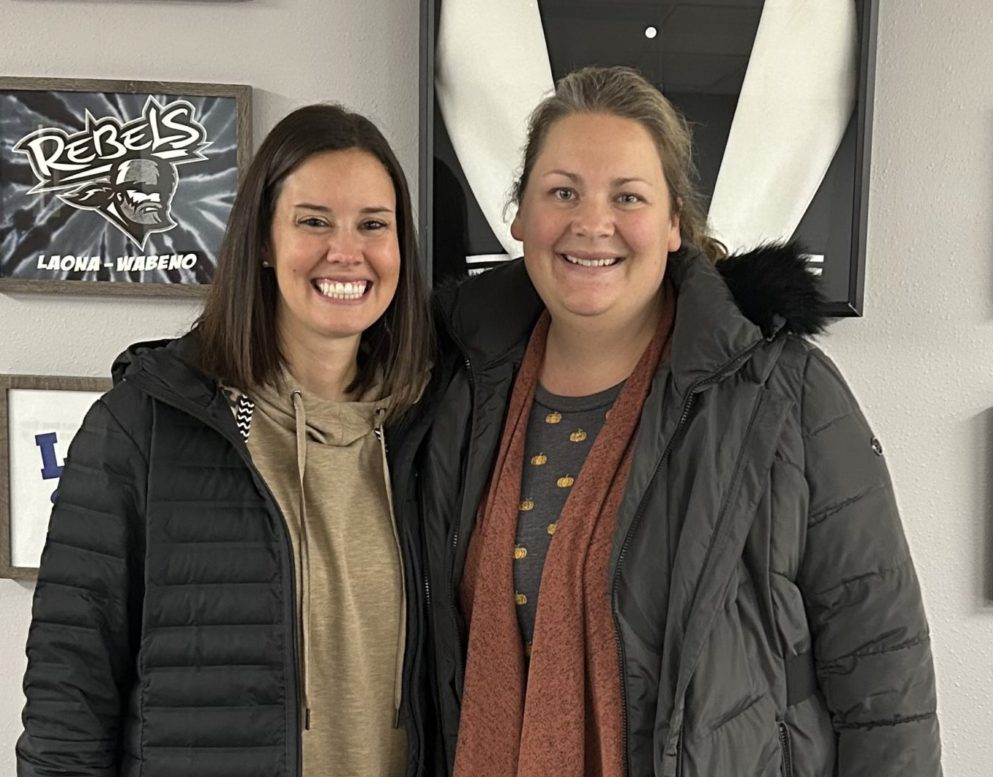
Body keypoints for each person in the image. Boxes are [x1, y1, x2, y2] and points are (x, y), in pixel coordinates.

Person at [411, 66, 942, 777]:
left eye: (626, 196)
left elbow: (882, 671)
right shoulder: (458, 384)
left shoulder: (782, 393)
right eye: (562, 191)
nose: (590, 222)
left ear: (671, 225)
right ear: (519, 215)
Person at [16, 104, 433, 777]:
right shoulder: (140, 428)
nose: (346, 251)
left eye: (373, 225)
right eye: (314, 221)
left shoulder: (433, 429)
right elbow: (70, 697)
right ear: (263, 241)